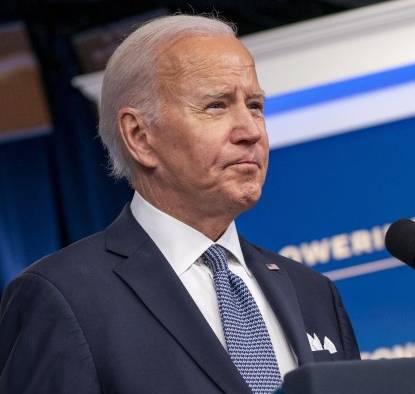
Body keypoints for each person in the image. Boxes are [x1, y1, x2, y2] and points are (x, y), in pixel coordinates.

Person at [0, 14, 360, 394]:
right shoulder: (64, 296)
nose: (251, 131)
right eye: (216, 106)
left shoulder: (314, 293)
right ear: (140, 136)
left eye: (254, 105)